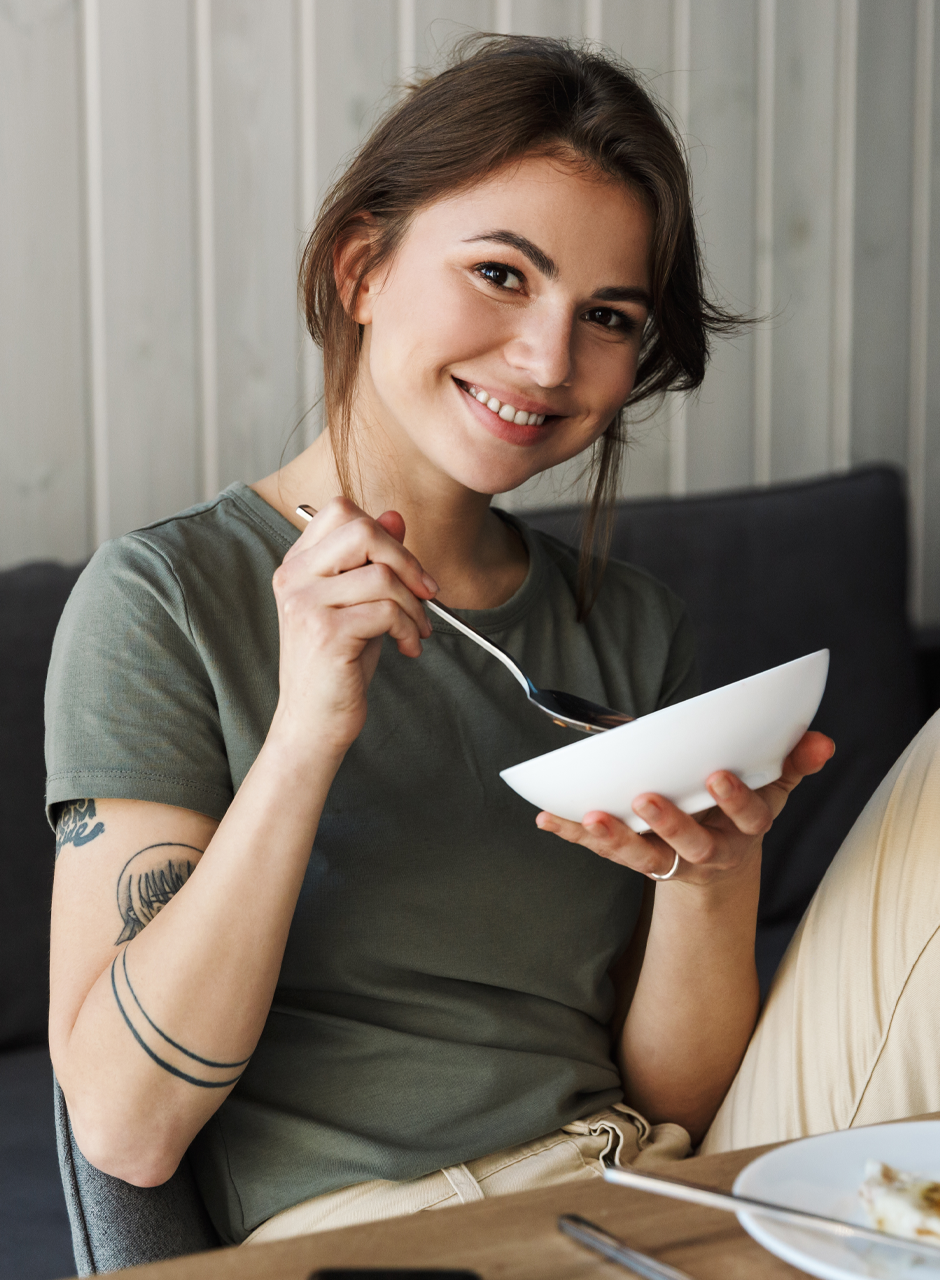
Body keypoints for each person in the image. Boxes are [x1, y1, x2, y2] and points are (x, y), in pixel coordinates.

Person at [46, 34, 934, 1251]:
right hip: (396, 1228)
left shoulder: (626, 625)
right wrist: (307, 730)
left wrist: (715, 880)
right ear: (363, 267)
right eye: (502, 275)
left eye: (606, 314)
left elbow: (681, 1099)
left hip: (657, 1175)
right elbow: (124, 1124)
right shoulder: (165, 597)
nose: (548, 358)